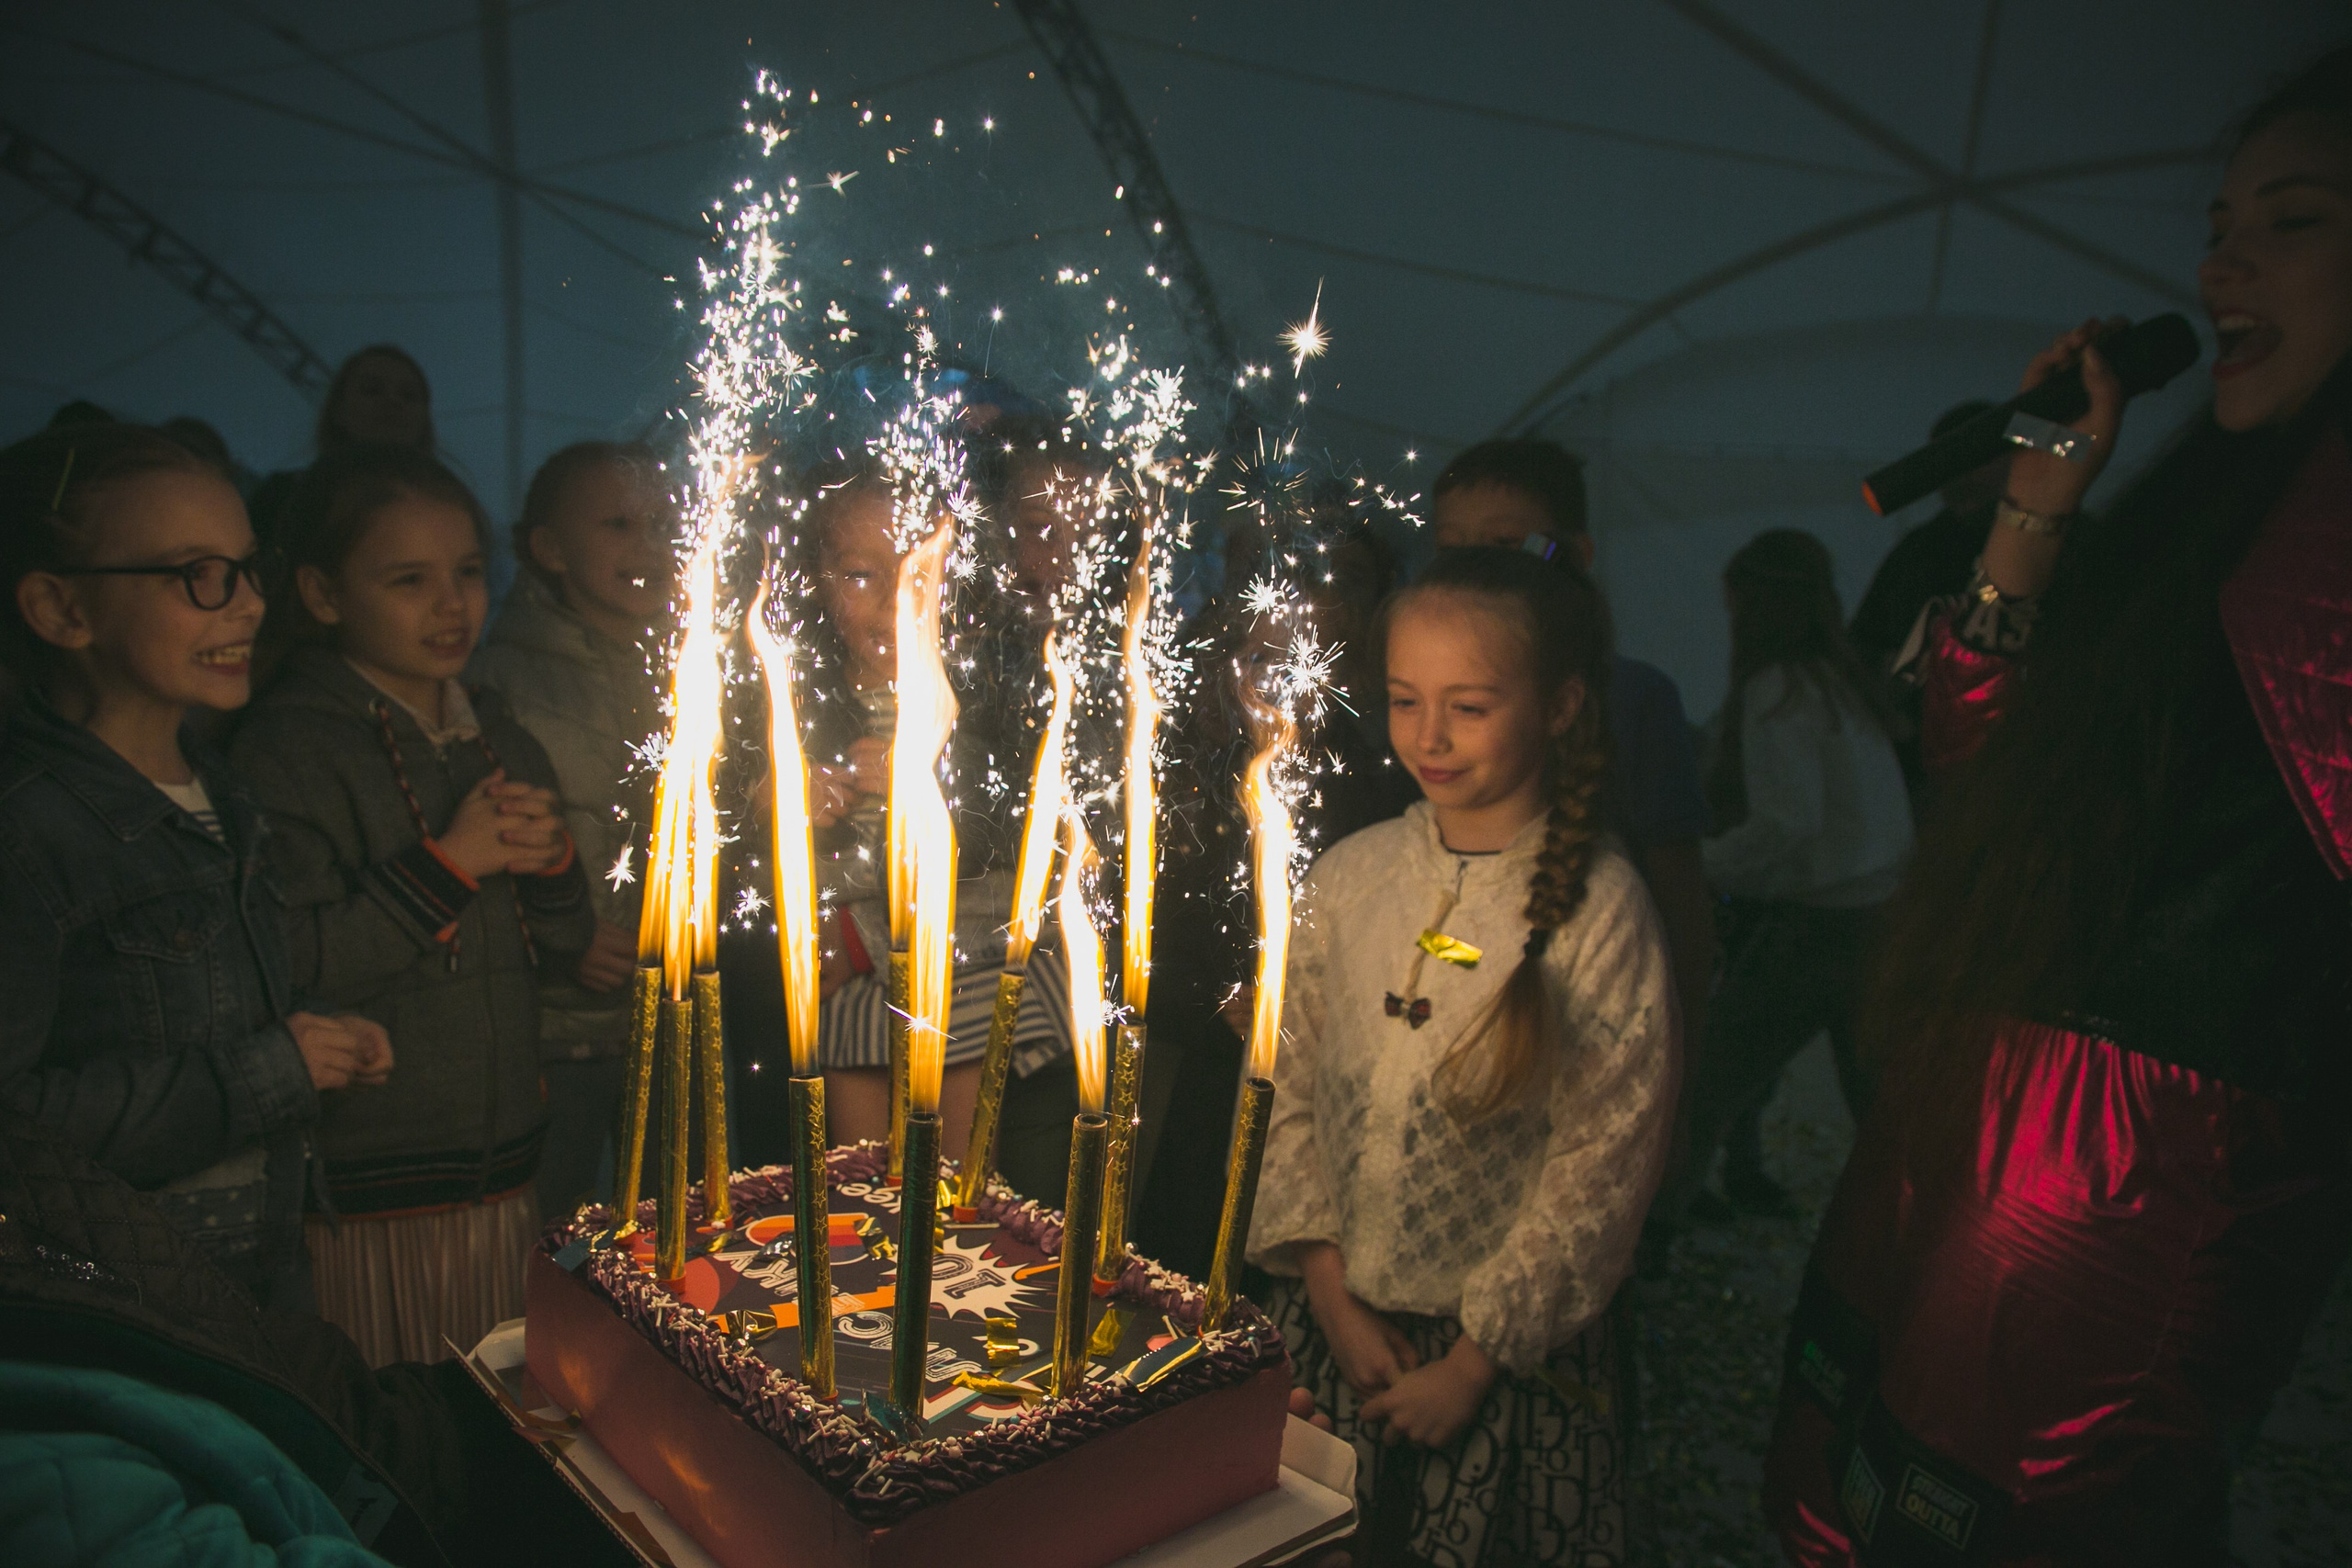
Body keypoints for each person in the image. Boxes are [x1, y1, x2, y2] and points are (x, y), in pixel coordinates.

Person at [1764, 50, 2352, 1564]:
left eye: (2291, 221)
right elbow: (1993, 777)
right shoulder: (2211, 516)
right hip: (1966, 1112)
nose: (2221, 258)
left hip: (2135, 1173)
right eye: (2221, 221)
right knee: (1855, 1494)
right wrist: (2034, 507)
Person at [1250, 547, 1680, 1565]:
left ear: (1561, 704)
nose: (1429, 738)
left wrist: (1477, 1361)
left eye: (1470, 708)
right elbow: (1291, 1084)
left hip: (1501, 1365)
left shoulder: (1598, 912)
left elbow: (1601, 1162)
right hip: (1335, 1330)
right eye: (1405, 701)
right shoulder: (1353, 879)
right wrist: (1327, 1289)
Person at [0, 423, 390, 1309]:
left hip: (253, 1286)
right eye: (197, 576)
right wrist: (268, 1073)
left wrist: (307, 1035)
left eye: (248, 567)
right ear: (61, 609)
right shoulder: (29, 832)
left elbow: (186, 1004)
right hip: (122, 1319)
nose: (249, 604)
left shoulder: (219, 786)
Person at [231, 445, 592, 1366]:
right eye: (408, 579)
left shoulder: (499, 735)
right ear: (320, 594)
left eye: (468, 573)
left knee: (511, 1409)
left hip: (509, 1169)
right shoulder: (287, 752)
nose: (452, 604)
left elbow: (565, 945)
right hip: (369, 1188)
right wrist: (450, 862)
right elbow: (288, 964)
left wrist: (552, 866)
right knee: (399, 1414)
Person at [796, 466, 1075, 1184]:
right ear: (818, 582)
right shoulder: (799, 702)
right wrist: (783, 800)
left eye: (920, 578)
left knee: (950, 1181)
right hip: (856, 979)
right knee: (858, 1182)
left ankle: (942, 1275)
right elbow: (754, 854)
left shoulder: (983, 702)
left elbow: (1004, 834)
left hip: (964, 963)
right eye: (861, 576)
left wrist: (926, 788)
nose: (893, 604)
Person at [1135, 578, 1416, 1280]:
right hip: (1200, 1073)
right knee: (1190, 1253)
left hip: (1320, 1063)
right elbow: (1135, 947)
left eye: (1304, 659)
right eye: (1262, 659)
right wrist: (1219, 999)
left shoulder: (1361, 778)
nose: (1283, 682)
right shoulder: (1185, 773)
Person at [1429, 439, 1717, 1074]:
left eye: (1505, 545)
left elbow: (1681, 904)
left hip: (1592, 1032)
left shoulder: (1634, 700)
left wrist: (1680, 1074)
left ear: (1574, 554)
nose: (1476, 569)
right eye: (1453, 548)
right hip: (1444, 1024)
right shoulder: (1420, 710)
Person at [1653, 529, 1910, 1225]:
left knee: (1708, 1087)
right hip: (1879, 916)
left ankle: (1650, 1246)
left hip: (1818, 927)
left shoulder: (1780, 691)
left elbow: (1789, 824)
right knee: (1879, 1105)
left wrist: (1696, 866)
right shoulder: (1840, 682)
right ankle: (1904, 1247)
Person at [472, 441, 673, 1216]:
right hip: (555, 1022)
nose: (649, 546)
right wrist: (565, 937)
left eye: (661, 523)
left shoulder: (691, 665)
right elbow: (491, 840)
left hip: (666, 1005)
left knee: (673, 1220)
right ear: (549, 547)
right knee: (555, 1221)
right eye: (620, 524)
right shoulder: (503, 678)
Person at [1847, 400, 2010, 796]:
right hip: (1932, 775)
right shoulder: (1918, 554)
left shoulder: (2063, 543)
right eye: (1946, 463)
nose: (1959, 477)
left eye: (1976, 458)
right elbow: (1862, 649)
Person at [248, 346, 435, 548]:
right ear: (339, 411)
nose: (393, 401)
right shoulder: (284, 497)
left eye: (409, 395)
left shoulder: (443, 510)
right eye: (371, 390)